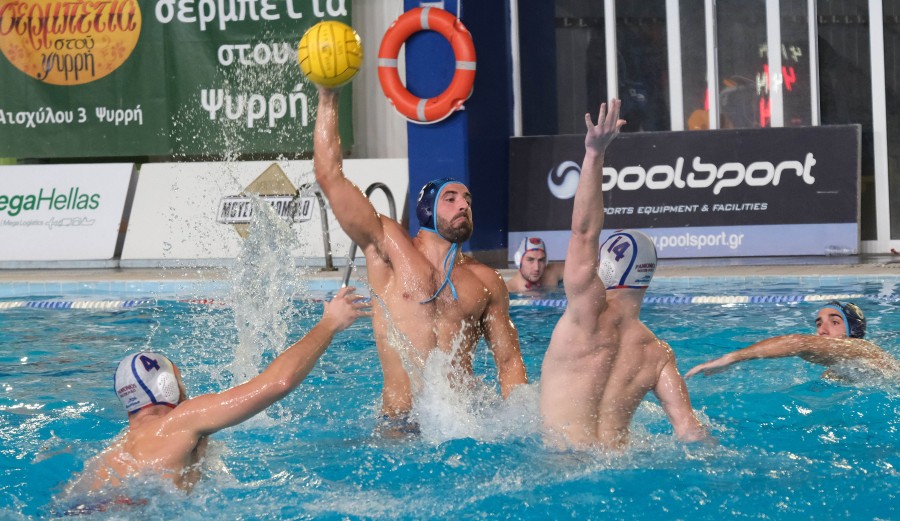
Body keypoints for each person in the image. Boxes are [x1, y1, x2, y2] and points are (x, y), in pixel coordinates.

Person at [312, 86, 527, 422]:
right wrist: (329, 98)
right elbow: (330, 177)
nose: (463, 205)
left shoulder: (486, 281)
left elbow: (509, 362)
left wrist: (520, 425)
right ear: (427, 209)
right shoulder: (389, 248)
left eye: (468, 200)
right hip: (401, 423)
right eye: (451, 199)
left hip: (462, 425)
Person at [63, 287, 370, 506]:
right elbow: (279, 382)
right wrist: (329, 324)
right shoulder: (181, 421)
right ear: (168, 386)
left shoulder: (107, 457)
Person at [539, 99, 708, 449]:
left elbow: (583, 232)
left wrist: (594, 153)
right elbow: (691, 432)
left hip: (561, 462)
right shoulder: (657, 353)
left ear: (605, 267)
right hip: (617, 464)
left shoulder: (587, 313)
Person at [685, 301, 900, 381]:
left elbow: (799, 343)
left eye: (834, 322)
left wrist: (732, 358)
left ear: (853, 331)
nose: (822, 330)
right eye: (818, 324)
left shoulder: (862, 348)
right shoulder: (833, 373)